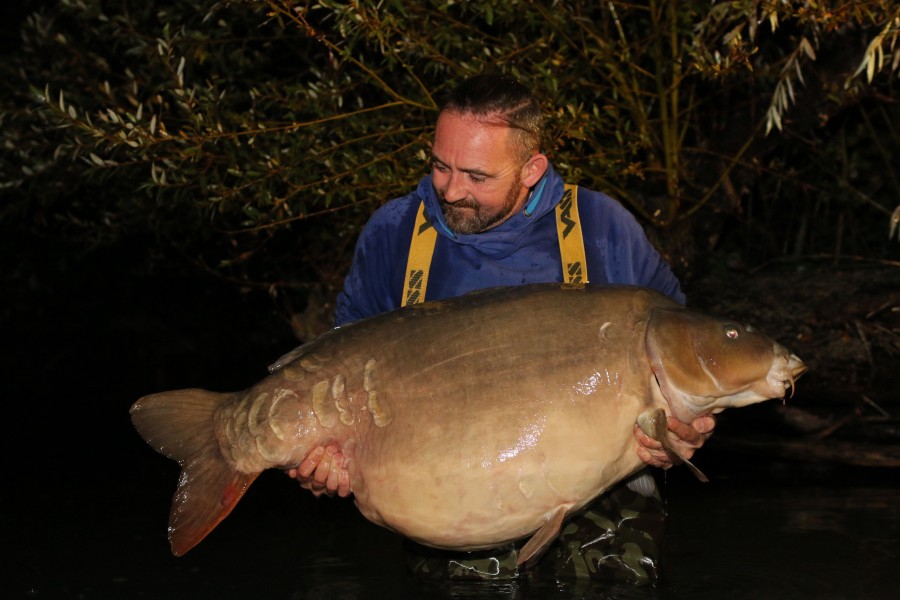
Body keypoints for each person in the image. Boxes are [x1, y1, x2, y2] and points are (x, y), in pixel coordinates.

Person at [288, 73, 715, 583]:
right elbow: (339, 370)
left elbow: (686, 358)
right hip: (451, 489)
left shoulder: (603, 228)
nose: (451, 190)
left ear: (532, 169)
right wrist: (323, 456)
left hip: (598, 484)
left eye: (477, 176)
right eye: (440, 166)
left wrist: (684, 429)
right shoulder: (395, 233)